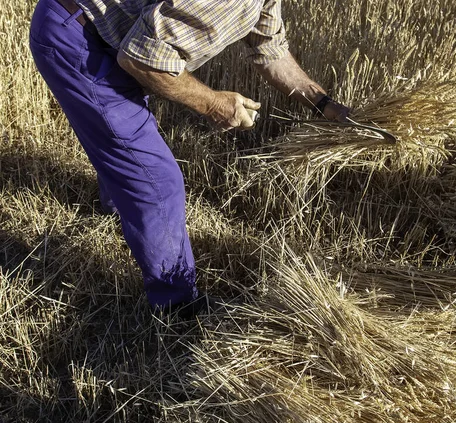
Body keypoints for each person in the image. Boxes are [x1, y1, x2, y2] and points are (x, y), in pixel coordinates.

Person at [29, 0, 349, 316]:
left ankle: (119, 208)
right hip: (79, 36)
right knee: (157, 178)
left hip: (104, 33)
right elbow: (141, 61)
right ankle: (177, 306)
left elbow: (270, 49)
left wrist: (325, 105)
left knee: (128, 144)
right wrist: (214, 104)